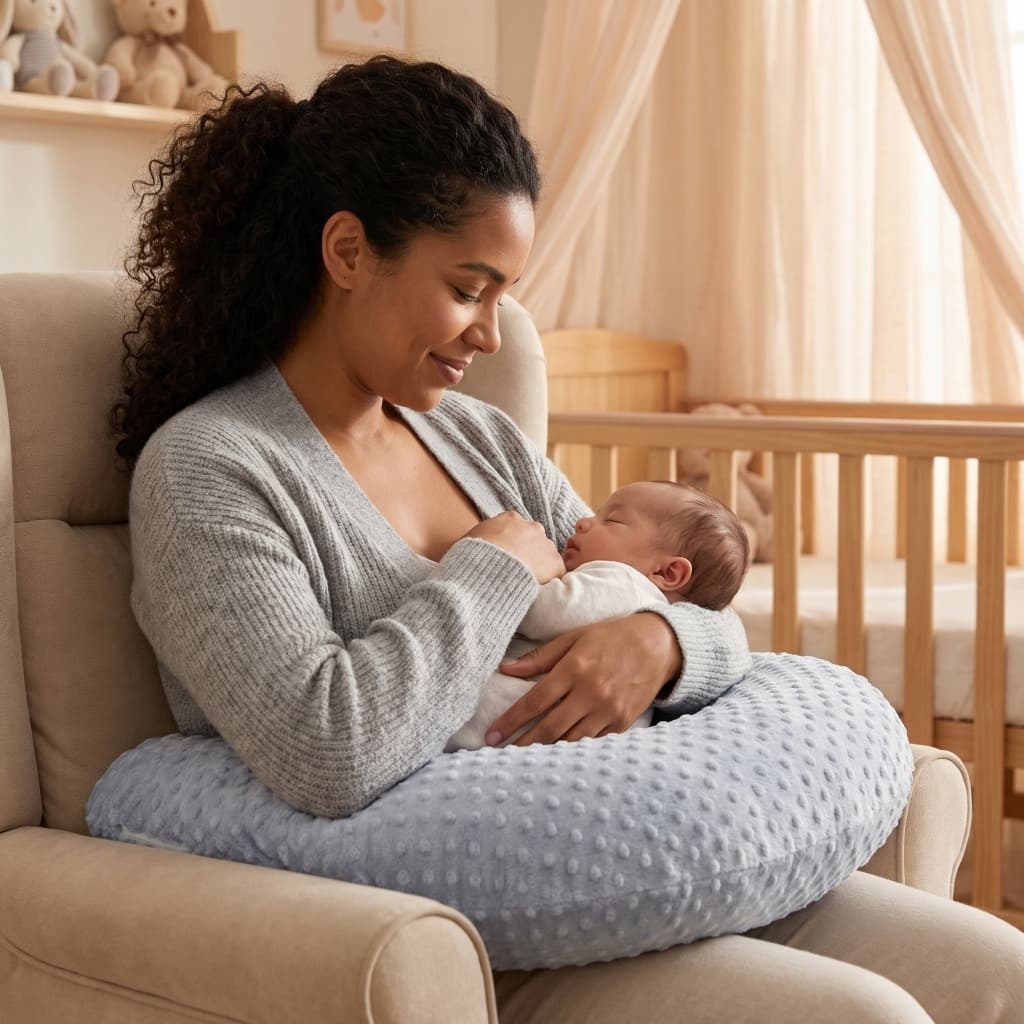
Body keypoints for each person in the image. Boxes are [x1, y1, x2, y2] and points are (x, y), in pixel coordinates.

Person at [114, 54, 1024, 1024]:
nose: (490, 335)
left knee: (996, 966)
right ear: (347, 252)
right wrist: (492, 568)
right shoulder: (211, 468)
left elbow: (670, 602)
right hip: (461, 911)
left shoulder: (477, 440)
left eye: (503, 293)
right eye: (469, 288)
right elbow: (324, 748)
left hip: (614, 854)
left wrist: (662, 643)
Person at [446, 480, 750, 750]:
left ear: (666, 571)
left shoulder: (622, 581)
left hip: (513, 720)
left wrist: (496, 566)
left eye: (612, 520)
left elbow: (545, 611)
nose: (582, 522)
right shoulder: (631, 588)